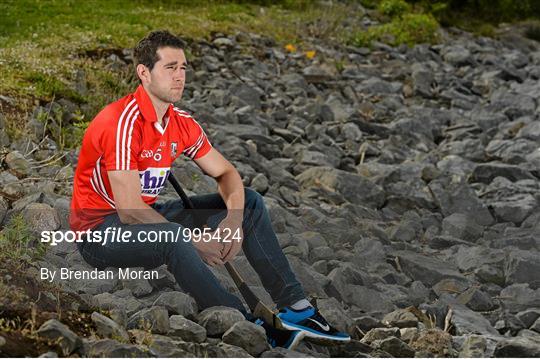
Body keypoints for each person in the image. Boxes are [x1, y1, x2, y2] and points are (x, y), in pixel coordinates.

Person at [69, 30, 350, 347]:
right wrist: (195, 240)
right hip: (100, 232)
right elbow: (130, 210)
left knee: (251, 203)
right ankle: (247, 325)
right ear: (144, 73)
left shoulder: (181, 122)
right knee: (174, 237)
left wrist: (232, 222)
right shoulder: (121, 123)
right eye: (170, 67)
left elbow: (227, 173)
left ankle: (298, 309)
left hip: (145, 220)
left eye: (183, 68)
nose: (179, 77)